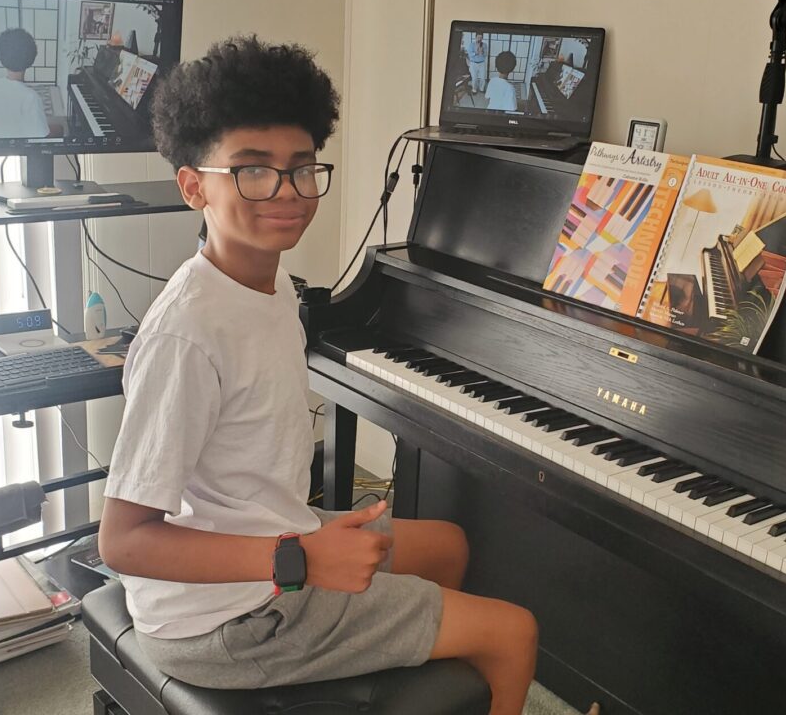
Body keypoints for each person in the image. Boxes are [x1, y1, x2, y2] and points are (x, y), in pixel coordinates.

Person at [98, 35, 538, 715]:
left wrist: (298, 544)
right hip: (224, 623)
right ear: (193, 186)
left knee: (446, 545)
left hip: (263, 535)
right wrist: (299, 558)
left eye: (302, 168)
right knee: (514, 634)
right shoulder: (187, 334)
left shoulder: (269, 281)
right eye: (252, 170)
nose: (287, 192)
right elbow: (123, 541)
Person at [0, 28, 50, 138]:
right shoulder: (31, 96)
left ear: (1, 58)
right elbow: (42, 135)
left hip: (0, 142)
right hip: (23, 146)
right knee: (59, 128)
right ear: (31, 58)